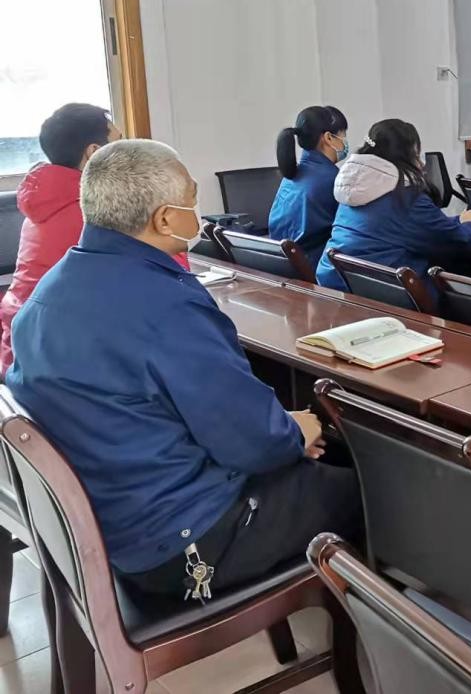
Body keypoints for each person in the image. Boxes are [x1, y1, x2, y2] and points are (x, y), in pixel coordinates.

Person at [6, 140, 360, 596]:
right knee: (370, 490)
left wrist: (277, 432)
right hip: (186, 541)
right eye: (192, 199)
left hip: (107, 525)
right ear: (164, 219)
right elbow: (252, 445)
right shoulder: (167, 306)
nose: (198, 211)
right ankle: (384, 622)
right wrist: (292, 432)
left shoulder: (48, 292)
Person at [0, 105, 122, 375]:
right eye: (119, 144)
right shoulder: (93, 211)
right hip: (54, 362)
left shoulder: (44, 201)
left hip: (17, 349)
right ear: (93, 152)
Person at [315, 119, 471, 291]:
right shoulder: (405, 197)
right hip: (392, 293)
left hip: (337, 284)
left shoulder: (354, 188)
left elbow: (408, 227)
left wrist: (457, 220)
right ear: (403, 156)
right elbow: (455, 241)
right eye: (416, 155)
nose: (421, 164)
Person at [268, 105, 348, 269]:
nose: (345, 142)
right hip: (314, 268)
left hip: (282, 265)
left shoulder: (292, 175)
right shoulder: (333, 179)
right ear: (329, 138)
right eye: (343, 135)